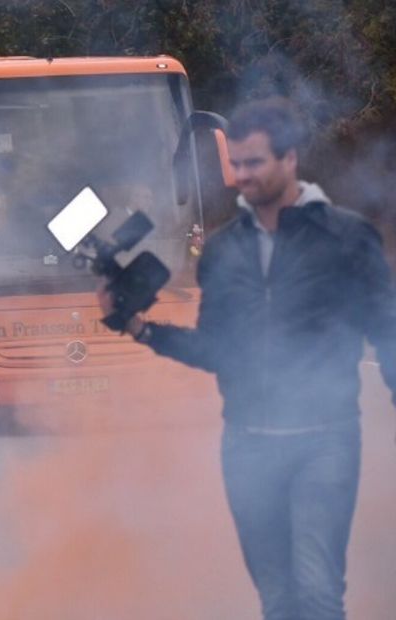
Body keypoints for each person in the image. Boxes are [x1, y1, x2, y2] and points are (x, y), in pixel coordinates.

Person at [100, 97, 396, 620]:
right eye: (235, 164)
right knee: (278, 599)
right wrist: (140, 328)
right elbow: (216, 349)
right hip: (247, 449)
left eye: (254, 162)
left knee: (319, 591)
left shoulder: (347, 238)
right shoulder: (222, 251)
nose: (241, 176)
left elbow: (386, 329)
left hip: (324, 443)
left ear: (289, 159)